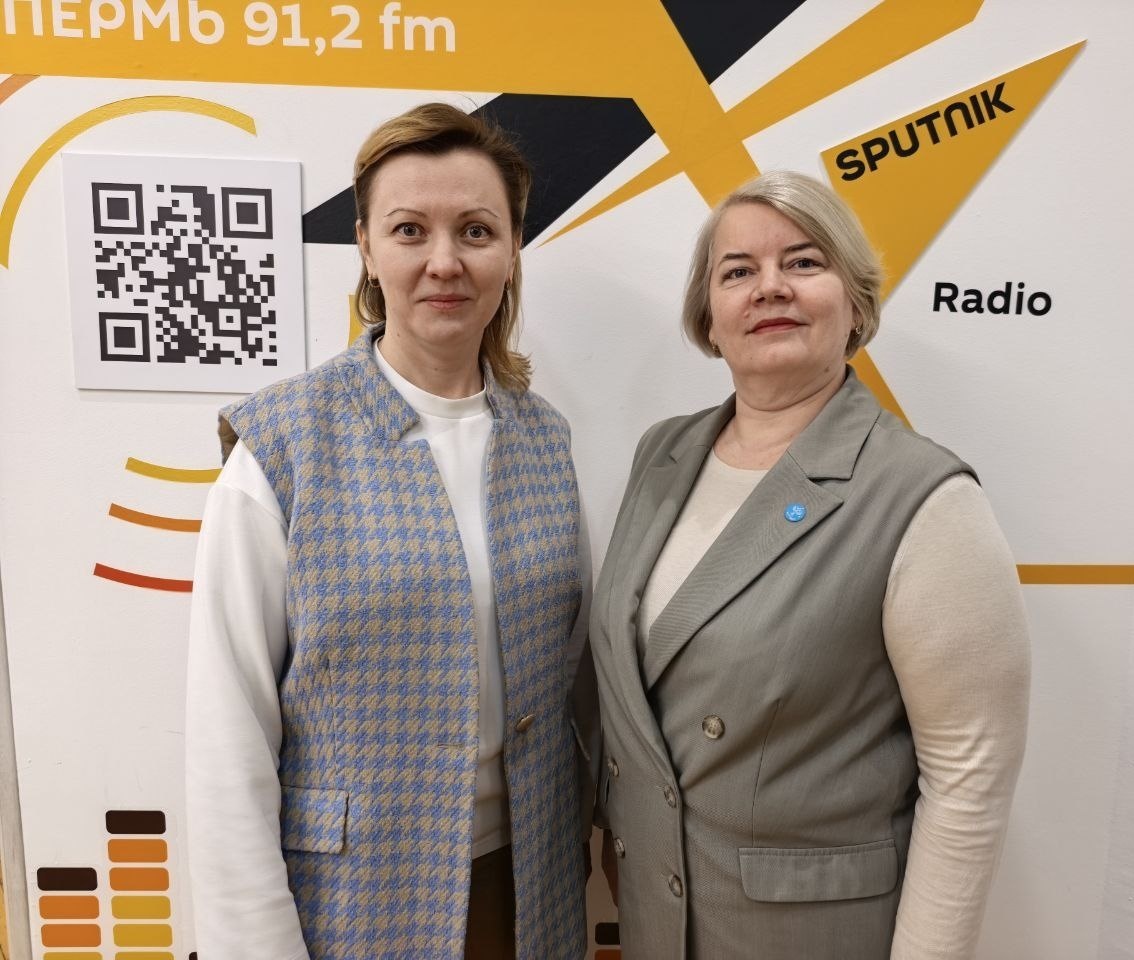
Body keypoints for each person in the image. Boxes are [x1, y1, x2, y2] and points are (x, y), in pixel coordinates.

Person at [185, 102, 592, 960]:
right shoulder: (283, 448)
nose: (445, 261)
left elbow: (573, 680)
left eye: (476, 231)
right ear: (367, 247)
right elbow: (229, 734)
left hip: (531, 889)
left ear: (513, 250)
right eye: (410, 230)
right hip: (350, 903)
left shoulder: (545, 440)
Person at [590, 170, 1029, 959]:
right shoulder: (662, 453)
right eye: (738, 271)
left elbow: (968, 780)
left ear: (855, 303)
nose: (770, 287)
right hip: (657, 922)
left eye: (803, 262)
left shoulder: (923, 497)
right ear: (710, 318)